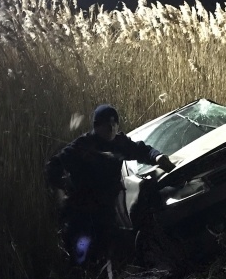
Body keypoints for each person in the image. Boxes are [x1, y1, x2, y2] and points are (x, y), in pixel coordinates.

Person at [45, 104, 176, 267]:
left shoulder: (120, 142)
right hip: (82, 207)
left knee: (106, 249)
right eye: (107, 124)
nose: (111, 128)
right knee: (81, 249)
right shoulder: (82, 145)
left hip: (106, 206)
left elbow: (141, 150)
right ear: (96, 126)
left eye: (114, 123)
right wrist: (60, 191)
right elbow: (53, 165)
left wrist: (158, 157)